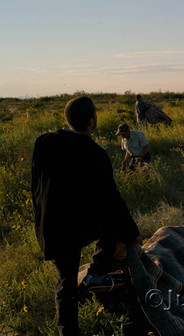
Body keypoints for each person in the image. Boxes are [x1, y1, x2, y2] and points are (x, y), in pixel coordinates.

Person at [31, 96, 143, 336]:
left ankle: (67, 332)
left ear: (68, 119)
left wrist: (39, 220)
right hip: (73, 229)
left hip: (50, 226)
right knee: (112, 221)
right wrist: (133, 232)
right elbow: (112, 200)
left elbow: (37, 187)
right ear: (91, 121)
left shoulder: (45, 143)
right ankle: (97, 271)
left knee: (66, 284)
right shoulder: (95, 154)